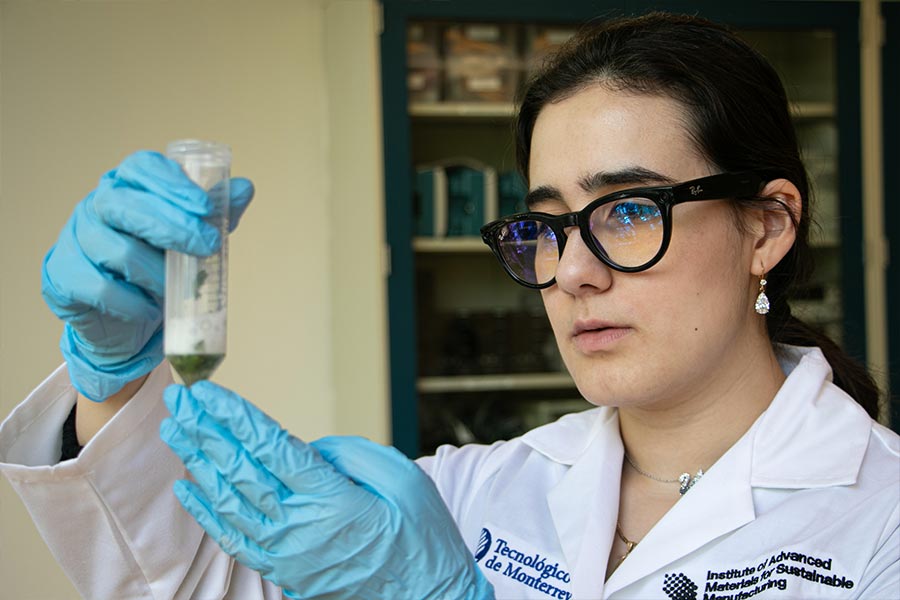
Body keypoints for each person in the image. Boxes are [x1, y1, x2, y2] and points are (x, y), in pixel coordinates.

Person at [1, 10, 897, 600]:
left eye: (627, 211)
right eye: (546, 226)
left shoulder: (882, 518)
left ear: (768, 227)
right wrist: (112, 374)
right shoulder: (469, 494)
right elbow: (196, 582)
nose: (572, 273)